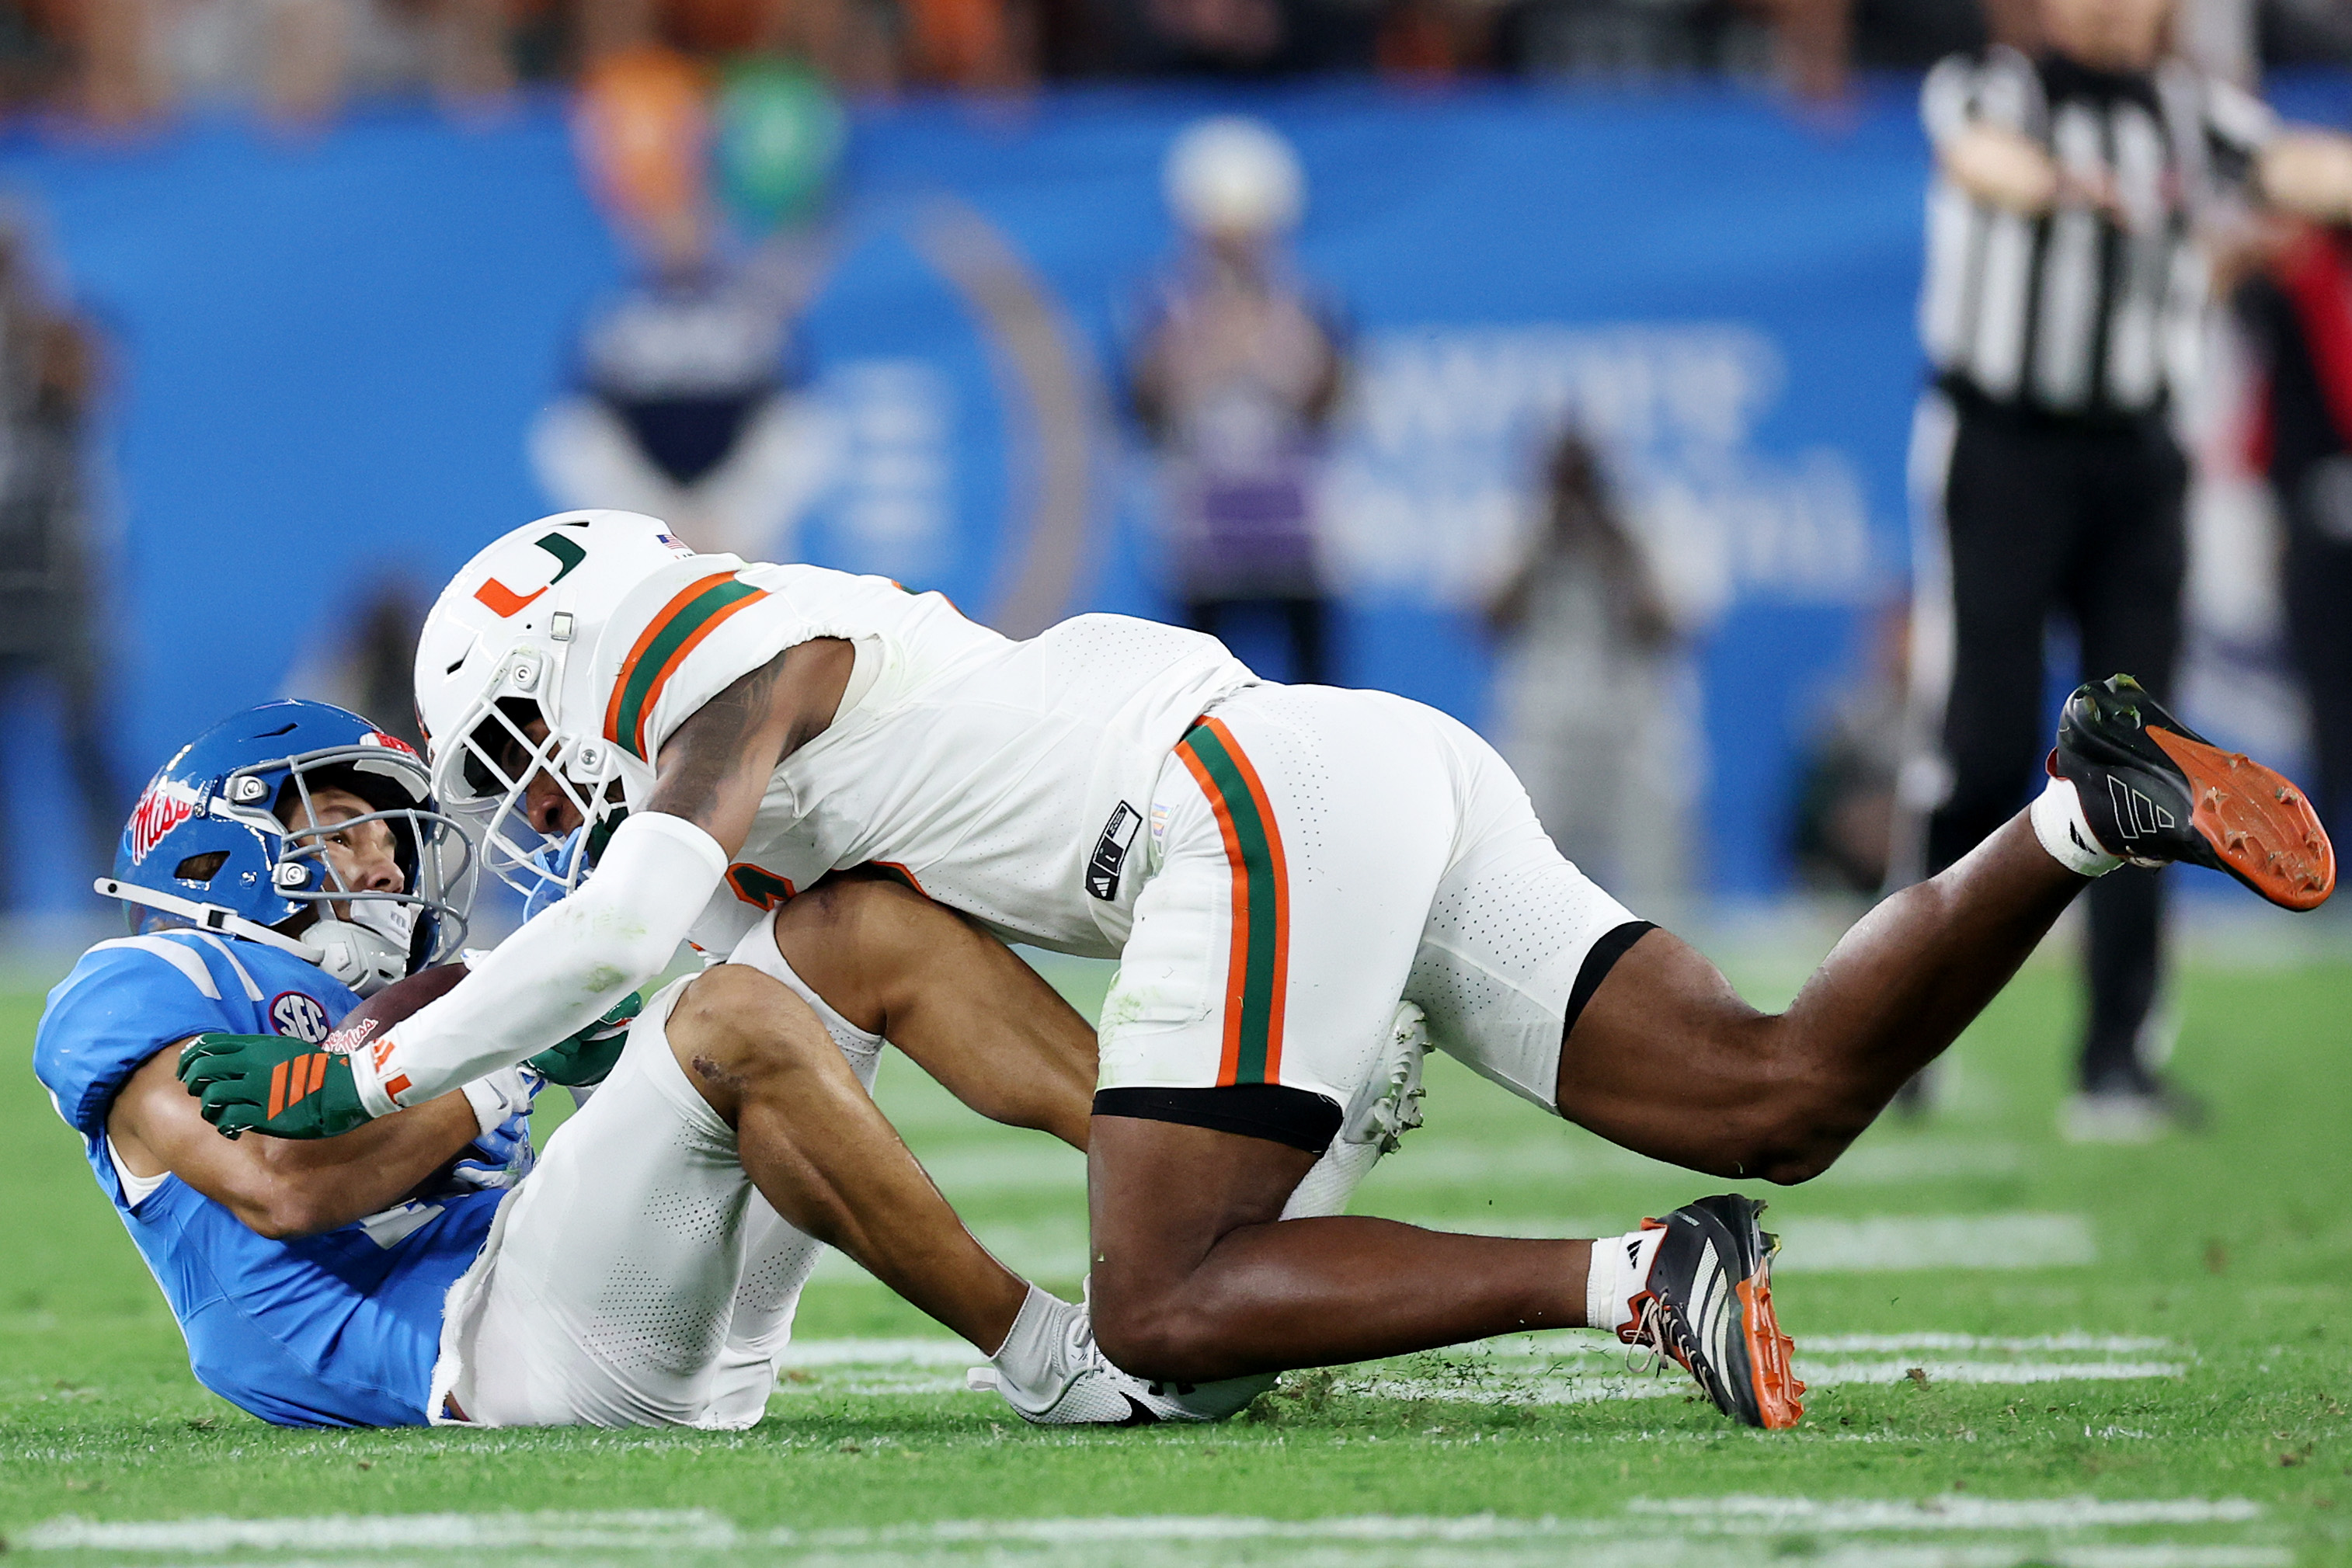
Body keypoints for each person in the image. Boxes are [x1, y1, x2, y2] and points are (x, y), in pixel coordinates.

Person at [181, 511, 2333, 1434]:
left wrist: (381, 1058)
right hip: (1340, 763)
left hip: (1239, 811)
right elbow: (870, 962)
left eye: (501, 740)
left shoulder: (703, 654)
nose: (524, 791)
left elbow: (639, 922)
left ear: (571, 642)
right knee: (1770, 1087)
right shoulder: (813, 729)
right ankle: (2079, 811)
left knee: (1165, 1313)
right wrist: (1179, 1064)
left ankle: (1629, 1276)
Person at [40, 698, 1235, 1430]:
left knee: (856, 924)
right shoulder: (150, 985)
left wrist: (598, 1039)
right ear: (214, 854)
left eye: (390, 836)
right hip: (482, 1360)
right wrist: (511, 1063)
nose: (379, 863)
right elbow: (283, 1186)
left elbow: (632, 1126)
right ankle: (1052, 1357)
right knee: (730, 1015)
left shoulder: (422, 1000)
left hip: (628, 1327)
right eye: (342, 827)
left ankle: (1207, 1141)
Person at [1905, 0, 2282, 1140]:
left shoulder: (2186, 109)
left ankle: (2117, 1055)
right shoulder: (1988, 88)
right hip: (2005, 446)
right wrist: (2065, 188)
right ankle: (1900, 1029)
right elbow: (1983, 161)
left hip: (2138, 457)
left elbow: (2295, 165)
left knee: (2152, 758)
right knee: (1979, 746)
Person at [1128, 116, 1345, 686]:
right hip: (1204, 533)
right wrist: (1199, 353)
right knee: (1206, 690)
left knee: (1314, 689)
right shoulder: (1162, 305)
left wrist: (1278, 350)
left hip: (1295, 530)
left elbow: (1334, 403)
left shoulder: (1306, 299)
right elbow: (1139, 410)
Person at [1486, 429, 1696, 908]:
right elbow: (1484, 616)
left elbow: (1671, 623)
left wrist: (1612, 540)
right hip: (1542, 732)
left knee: (1657, 881)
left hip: (1634, 730)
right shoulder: (1522, 524)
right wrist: (1542, 539)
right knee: (1533, 878)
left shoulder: (1647, 524)